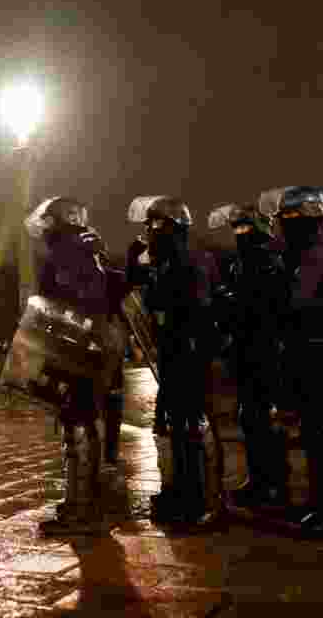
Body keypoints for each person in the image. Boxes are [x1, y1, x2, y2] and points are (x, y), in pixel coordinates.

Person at [23, 197, 128, 535]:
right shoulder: (88, 250)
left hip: (75, 348)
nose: (44, 229)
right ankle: (86, 503)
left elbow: (63, 302)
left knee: (76, 426)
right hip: (90, 346)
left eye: (49, 222)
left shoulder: (66, 253)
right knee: (85, 421)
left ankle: (80, 509)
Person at [259, 186, 323, 537]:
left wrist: (276, 284)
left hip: (321, 361)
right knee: (321, 440)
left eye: (286, 221)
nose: (281, 228)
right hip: (322, 358)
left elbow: (298, 305)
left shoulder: (314, 256)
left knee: (322, 441)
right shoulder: (319, 252)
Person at [127, 195, 223, 526]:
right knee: (172, 426)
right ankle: (181, 491)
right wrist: (136, 266)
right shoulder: (168, 260)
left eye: (155, 225)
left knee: (194, 424)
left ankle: (205, 500)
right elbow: (147, 296)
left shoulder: (191, 259)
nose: (149, 232)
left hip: (190, 352)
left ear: (173, 226)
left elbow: (193, 309)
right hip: (172, 351)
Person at [208, 203, 291, 508]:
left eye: (245, 227)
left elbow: (268, 306)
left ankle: (274, 484)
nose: (240, 233)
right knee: (250, 418)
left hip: (266, 348)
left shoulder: (268, 261)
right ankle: (259, 479)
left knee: (265, 418)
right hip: (245, 347)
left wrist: (235, 304)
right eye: (236, 228)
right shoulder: (240, 263)